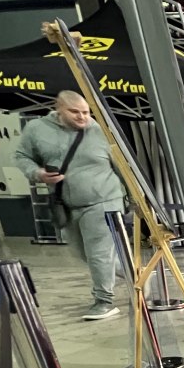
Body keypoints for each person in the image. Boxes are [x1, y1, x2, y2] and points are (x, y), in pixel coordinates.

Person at [13, 91, 126, 321]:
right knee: (82, 252)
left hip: (105, 199)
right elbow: (21, 155)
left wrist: (133, 198)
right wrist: (36, 173)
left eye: (86, 112)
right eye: (75, 112)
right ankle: (139, 277)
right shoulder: (37, 129)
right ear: (59, 109)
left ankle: (104, 300)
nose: (82, 117)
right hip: (66, 203)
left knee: (98, 253)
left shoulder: (101, 129)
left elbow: (123, 164)